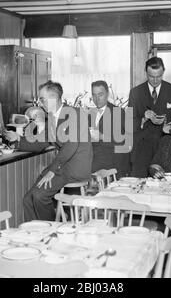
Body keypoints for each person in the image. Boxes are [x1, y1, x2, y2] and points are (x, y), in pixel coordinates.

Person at [16, 80, 93, 221]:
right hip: (62, 167)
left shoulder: (75, 114)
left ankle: (52, 230)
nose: (40, 103)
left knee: (39, 196)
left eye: (42, 99)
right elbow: (40, 142)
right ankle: (35, 233)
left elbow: (71, 146)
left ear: (54, 98)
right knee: (28, 199)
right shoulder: (52, 117)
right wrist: (15, 141)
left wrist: (52, 170)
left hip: (74, 168)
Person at [128, 56, 171, 177]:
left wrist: (168, 125)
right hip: (141, 152)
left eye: (159, 76)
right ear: (145, 73)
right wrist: (143, 118)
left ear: (164, 71)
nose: (155, 80)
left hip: (166, 149)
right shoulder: (135, 93)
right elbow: (128, 124)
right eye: (151, 76)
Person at [89, 80, 130, 178]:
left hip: (112, 165)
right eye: (94, 95)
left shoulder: (118, 113)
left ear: (107, 94)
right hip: (94, 163)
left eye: (100, 95)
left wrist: (102, 136)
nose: (97, 99)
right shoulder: (90, 114)